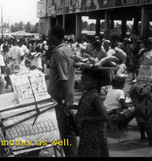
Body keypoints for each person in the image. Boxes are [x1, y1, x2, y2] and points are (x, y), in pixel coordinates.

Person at [47, 24, 78, 157]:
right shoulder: (68, 49)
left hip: (60, 98)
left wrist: (65, 100)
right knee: (65, 130)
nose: (48, 38)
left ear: (54, 36)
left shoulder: (59, 52)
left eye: (49, 35)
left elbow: (63, 78)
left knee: (65, 131)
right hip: (64, 96)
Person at [76, 68, 109, 157]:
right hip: (87, 133)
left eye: (86, 80)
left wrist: (84, 118)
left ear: (95, 81)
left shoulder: (95, 96)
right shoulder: (87, 93)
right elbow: (88, 108)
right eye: (82, 78)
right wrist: (74, 107)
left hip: (94, 135)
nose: (83, 81)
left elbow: (105, 117)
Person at [129, 81, 152, 147]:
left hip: (135, 93)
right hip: (145, 98)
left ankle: (143, 137)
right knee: (148, 120)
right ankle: (151, 142)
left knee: (140, 117)